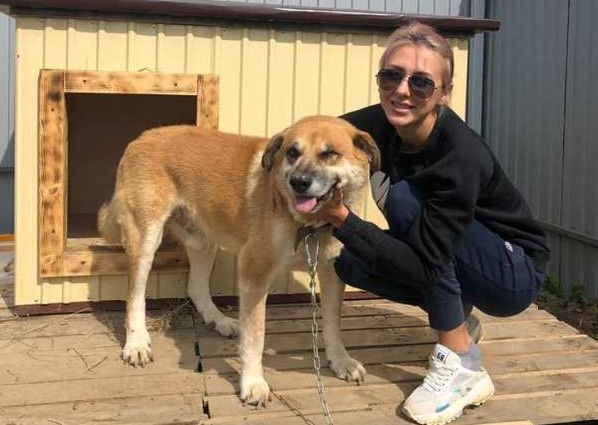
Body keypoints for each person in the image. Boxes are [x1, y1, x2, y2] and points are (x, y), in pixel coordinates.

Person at [319, 21, 550, 425]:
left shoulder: (460, 154)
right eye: (391, 76)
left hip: (512, 272)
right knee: (349, 260)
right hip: (445, 253)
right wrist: (283, 174)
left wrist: (342, 218)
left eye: (421, 82)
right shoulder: (374, 125)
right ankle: (460, 318)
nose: (402, 90)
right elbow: (314, 134)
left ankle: (463, 365)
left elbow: (427, 265)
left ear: (444, 93)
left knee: (405, 201)